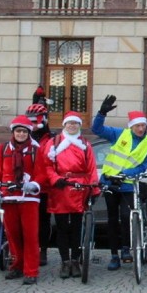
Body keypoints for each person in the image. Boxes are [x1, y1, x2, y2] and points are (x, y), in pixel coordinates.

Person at [92, 96, 147, 271]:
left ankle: (126, 250)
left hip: (128, 185)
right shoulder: (120, 134)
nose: (141, 129)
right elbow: (96, 129)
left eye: (143, 125)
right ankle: (114, 255)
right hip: (110, 182)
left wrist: (126, 173)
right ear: (131, 126)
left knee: (126, 217)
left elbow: (143, 166)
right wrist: (102, 113)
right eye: (138, 126)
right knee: (112, 219)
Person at [36, 111, 99, 279]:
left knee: (77, 227)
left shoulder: (85, 144)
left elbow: (92, 168)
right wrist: (55, 179)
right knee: (62, 227)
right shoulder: (53, 143)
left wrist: (94, 188)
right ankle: (65, 261)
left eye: (75, 123)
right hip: (60, 188)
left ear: (79, 125)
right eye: (69, 123)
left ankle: (76, 260)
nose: (72, 126)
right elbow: (46, 165)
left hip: (79, 188)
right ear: (64, 125)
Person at [0, 116, 42, 285]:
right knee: (13, 235)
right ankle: (17, 265)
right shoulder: (4, 149)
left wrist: (33, 184)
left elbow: (42, 172)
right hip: (8, 197)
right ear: (13, 132)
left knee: (30, 235)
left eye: (24, 131)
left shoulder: (35, 149)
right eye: (18, 131)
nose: (21, 134)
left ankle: (31, 270)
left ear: (29, 133)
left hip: (28, 198)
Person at [26, 102, 54, 266]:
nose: (33, 126)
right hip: (25, 186)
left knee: (43, 220)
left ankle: (43, 250)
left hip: (43, 187)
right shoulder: (23, 136)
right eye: (31, 122)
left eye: (36, 122)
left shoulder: (51, 139)